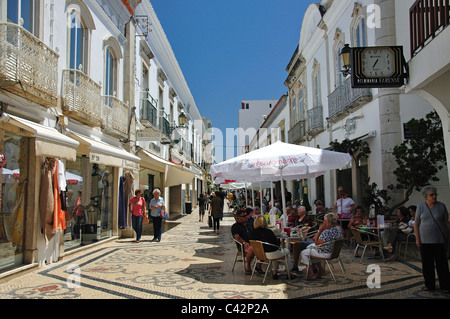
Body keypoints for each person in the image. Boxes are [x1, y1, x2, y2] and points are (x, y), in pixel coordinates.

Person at [414, 186, 450, 293]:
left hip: (439, 240)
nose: (434, 196)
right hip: (425, 240)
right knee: (427, 264)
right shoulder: (420, 206)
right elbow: (416, 223)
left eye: (435, 194)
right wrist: (417, 239)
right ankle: (429, 285)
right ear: (426, 196)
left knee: (442, 264)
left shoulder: (441, 206)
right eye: (431, 195)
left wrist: (449, 237)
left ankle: (445, 285)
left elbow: (446, 223)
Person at [300, 213, 343, 280]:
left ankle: (311, 273)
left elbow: (317, 243)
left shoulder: (327, 232)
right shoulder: (338, 229)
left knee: (304, 253)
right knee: (309, 248)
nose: (323, 223)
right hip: (333, 252)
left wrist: (320, 231)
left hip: (326, 253)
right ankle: (320, 270)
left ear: (330, 223)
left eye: (325, 221)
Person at [250, 215, 293, 280]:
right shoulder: (268, 232)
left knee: (275, 252)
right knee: (286, 251)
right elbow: (276, 244)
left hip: (260, 255)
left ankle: (275, 272)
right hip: (271, 254)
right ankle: (289, 273)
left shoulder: (253, 232)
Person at [231, 209, 259, 275]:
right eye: (244, 216)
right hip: (242, 246)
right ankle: (248, 266)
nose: (246, 217)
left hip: (253, 243)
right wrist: (244, 242)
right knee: (251, 249)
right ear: (239, 218)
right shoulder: (235, 227)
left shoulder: (249, 224)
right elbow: (237, 237)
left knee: (264, 247)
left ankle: (258, 265)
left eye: (246, 215)